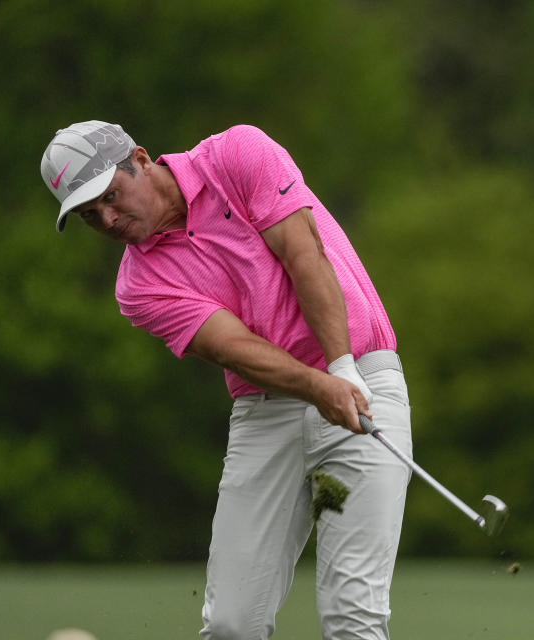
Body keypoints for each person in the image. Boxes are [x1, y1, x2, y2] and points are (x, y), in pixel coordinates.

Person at [40, 120, 412, 640]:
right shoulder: (138, 285)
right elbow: (234, 348)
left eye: (109, 195)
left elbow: (304, 253)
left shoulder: (237, 154)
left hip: (363, 378)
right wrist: (320, 387)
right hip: (267, 412)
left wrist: (342, 369)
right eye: (87, 215)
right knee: (232, 625)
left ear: (141, 160)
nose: (107, 218)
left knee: (354, 617)